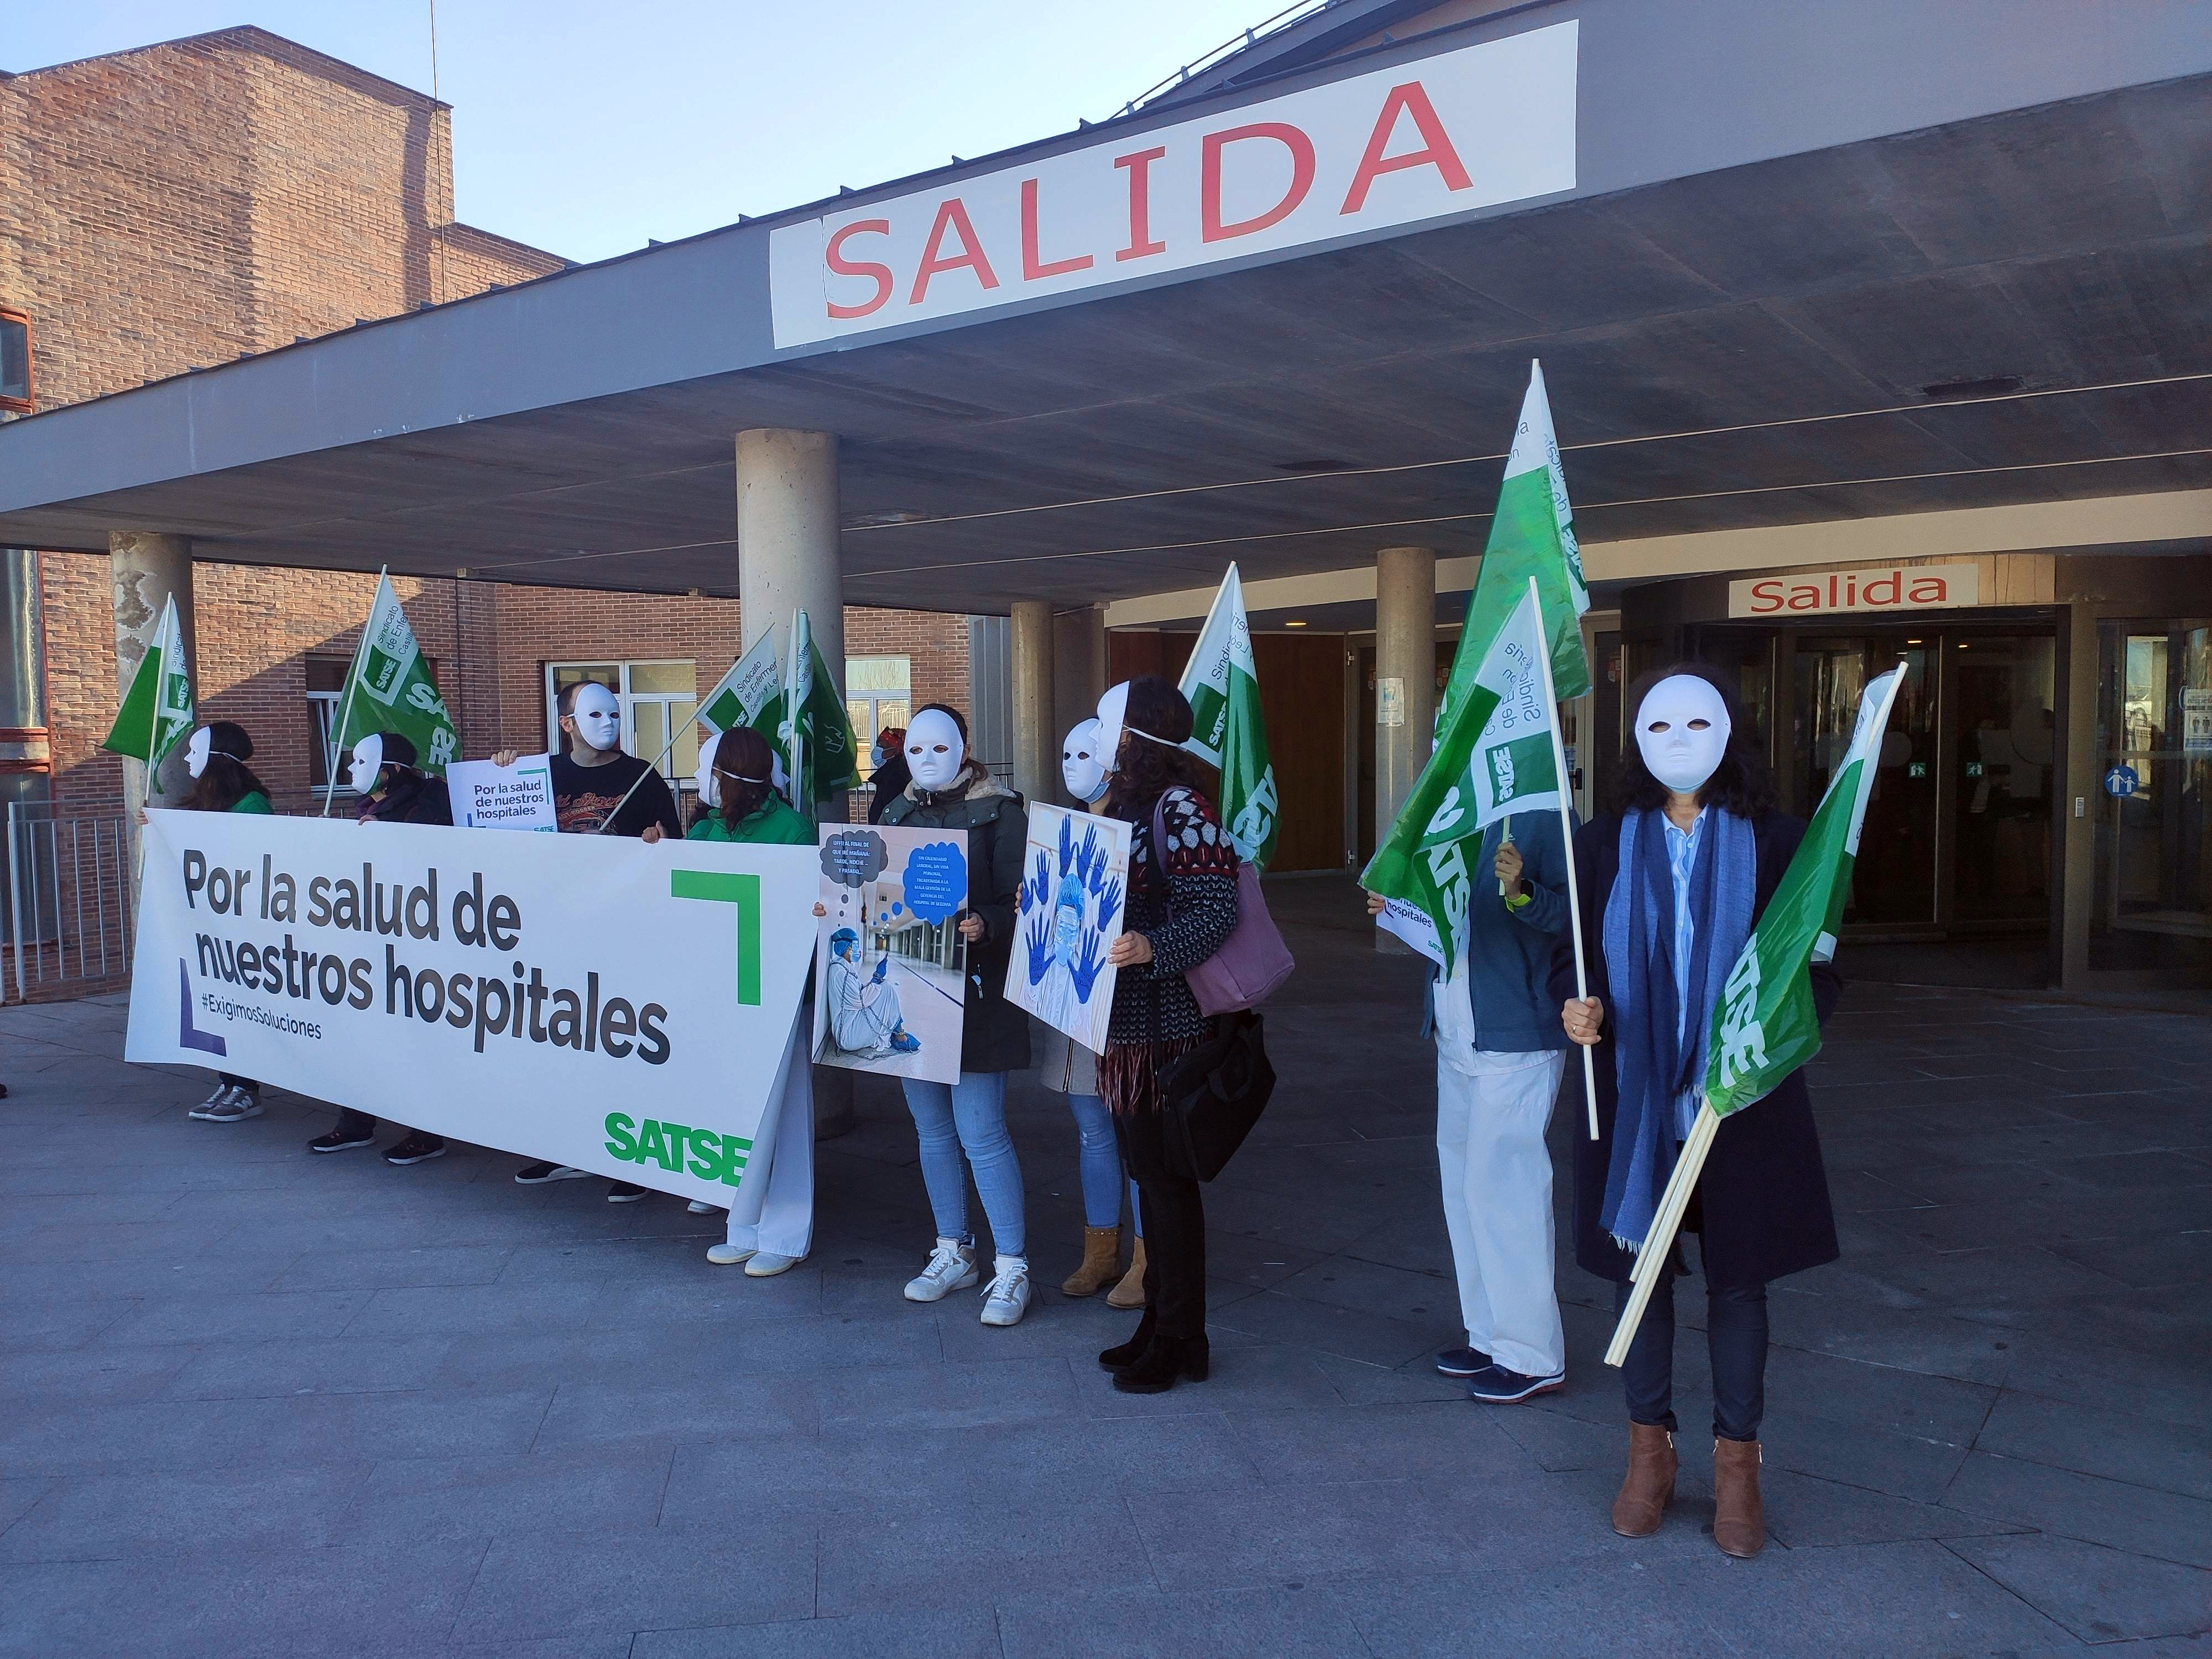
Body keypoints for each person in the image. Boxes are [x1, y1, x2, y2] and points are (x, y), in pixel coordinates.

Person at [1556, 664, 1841, 1561]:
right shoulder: (1603, 842)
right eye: (1660, 726)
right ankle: (1649, 1456)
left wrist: (1765, 1044)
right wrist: (1578, 1006)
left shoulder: (1783, 840)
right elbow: (1574, 958)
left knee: (1739, 1283)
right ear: (1636, 738)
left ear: (1729, 730)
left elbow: (1818, 969)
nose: (1679, 741)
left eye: (1696, 723)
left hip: (1739, 1105)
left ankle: (1737, 1469)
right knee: (1636, 1281)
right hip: (1636, 1100)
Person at [1365, 807, 1575, 1404]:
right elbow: (1445, 917)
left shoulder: (1545, 813)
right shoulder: (1449, 812)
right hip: (1458, 1027)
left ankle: (1531, 1353)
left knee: (1504, 1188)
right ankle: (1490, 1335)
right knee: (1464, 1187)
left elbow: (1577, 921)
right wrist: (1400, 909)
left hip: (1516, 1032)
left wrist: (1522, 892)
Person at [1092, 677, 1239, 1395]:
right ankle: (1163, 1324)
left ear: (1135, 734)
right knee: (1151, 1181)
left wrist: (1153, 948)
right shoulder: (1126, 805)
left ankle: (1183, 1335)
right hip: (1127, 1029)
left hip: (1167, 1031)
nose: (1098, 734)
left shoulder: (1180, 808)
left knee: (1168, 1185)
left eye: (1107, 721)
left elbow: (1219, 909)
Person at [879, 703, 1034, 1327]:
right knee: (933, 1132)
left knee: (981, 1133)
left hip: (979, 998)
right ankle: (953, 1249)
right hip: (914, 992)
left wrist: (988, 923)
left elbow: (1024, 900)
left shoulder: (1002, 813)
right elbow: (875, 892)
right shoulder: (894, 813)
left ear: (964, 749)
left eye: (938, 749)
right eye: (914, 751)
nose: (926, 761)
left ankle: (1013, 1265)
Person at [496, 680, 681, 1199]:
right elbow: (491, 829)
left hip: (620, 934)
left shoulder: (643, 777)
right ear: (567, 723)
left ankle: (627, 1160)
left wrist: (658, 845)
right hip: (551, 932)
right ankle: (566, 1150)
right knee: (557, 1042)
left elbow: (677, 849)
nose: (608, 724)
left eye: (615, 713)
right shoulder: (537, 774)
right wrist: (500, 774)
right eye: (594, 715)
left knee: (616, 1043)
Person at [644, 726, 818, 1274]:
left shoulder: (791, 829)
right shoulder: (707, 829)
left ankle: (785, 1235)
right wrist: (657, 856)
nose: (701, 781)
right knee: (736, 1109)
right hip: (723, 999)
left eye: (709, 769)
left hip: (776, 995)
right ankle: (742, 1224)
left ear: (733, 775)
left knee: (784, 1117)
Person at [307, 731, 452, 1165]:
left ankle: (427, 1133)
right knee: (362, 1036)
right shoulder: (370, 809)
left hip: (422, 942)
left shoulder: (430, 802)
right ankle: (355, 1124)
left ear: (389, 772)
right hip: (374, 941)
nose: (351, 772)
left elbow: (440, 849)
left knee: (418, 1041)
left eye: (361, 763)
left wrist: (391, 834)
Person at [1042, 717, 1140, 1299]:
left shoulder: (1143, 825)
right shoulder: (1062, 827)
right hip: (1074, 997)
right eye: (1067, 752)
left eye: (1088, 754)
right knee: (1092, 1131)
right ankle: (1100, 1251)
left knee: (1133, 1133)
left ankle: (1147, 1261)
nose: (1073, 764)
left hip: (1126, 1003)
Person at [164, 722, 274, 1124]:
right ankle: (229, 1081)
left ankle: (247, 1088)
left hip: (244, 929)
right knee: (223, 1008)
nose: (189, 761)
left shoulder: (252, 806)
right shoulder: (210, 805)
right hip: (216, 927)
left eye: (195, 753)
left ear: (215, 761)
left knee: (243, 1008)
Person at [867, 724, 910, 824]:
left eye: (881, 745)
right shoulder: (894, 771)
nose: (877, 749)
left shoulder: (895, 775)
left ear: (895, 750)